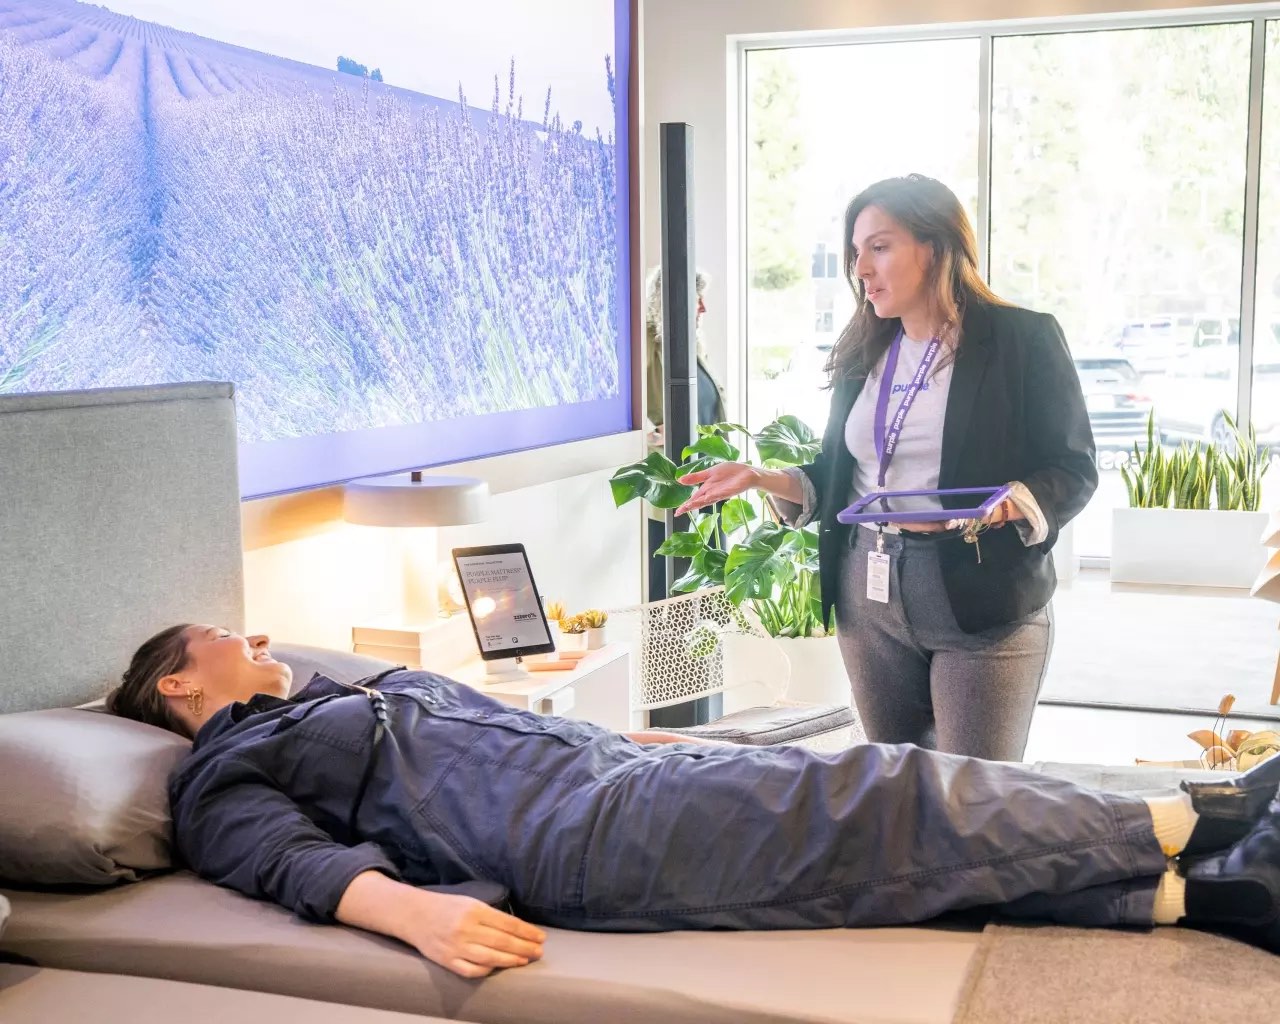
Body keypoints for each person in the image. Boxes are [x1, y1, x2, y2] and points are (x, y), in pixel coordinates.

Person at [108, 624, 1280, 980]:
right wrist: (416, 916)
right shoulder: (218, 778)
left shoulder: (318, 699)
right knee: (879, 792)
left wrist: (631, 733)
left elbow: (487, 721)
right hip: (572, 836)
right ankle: (1196, 816)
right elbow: (289, 865)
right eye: (225, 637)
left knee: (890, 847)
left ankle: (1198, 893)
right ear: (177, 682)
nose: (251, 636)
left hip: (607, 775)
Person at [677, 174, 1097, 761]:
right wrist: (759, 475)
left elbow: (1072, 466)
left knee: (969, 803)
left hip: (979, 600)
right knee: (894, 797)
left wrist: (1002, 507)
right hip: (867, 598)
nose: (861, 269)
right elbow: (844, 470)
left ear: (936, 246)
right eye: (856, 252)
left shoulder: (1020, 340)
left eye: (879, 246)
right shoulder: (866, 347)